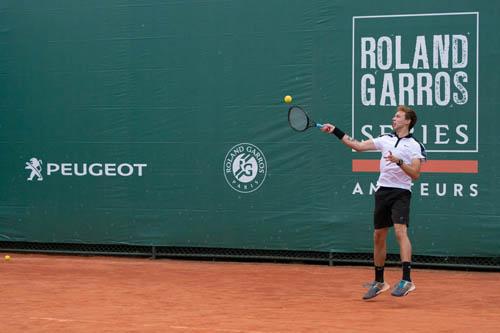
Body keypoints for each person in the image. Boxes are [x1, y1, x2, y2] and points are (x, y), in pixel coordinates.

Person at [320, 105, 426, 300]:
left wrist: (399, 162)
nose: (394, 119)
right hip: (382, 191)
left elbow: (416, 174)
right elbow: (358, 146)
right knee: (378, 236)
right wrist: (335, 130)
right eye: (394, 116)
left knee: (400, 231)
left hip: (401, 192)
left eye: (398, 116)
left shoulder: (414, 145)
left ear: (408, 121)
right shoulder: (385, 139)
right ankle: (379, 282)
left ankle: (407, 280)